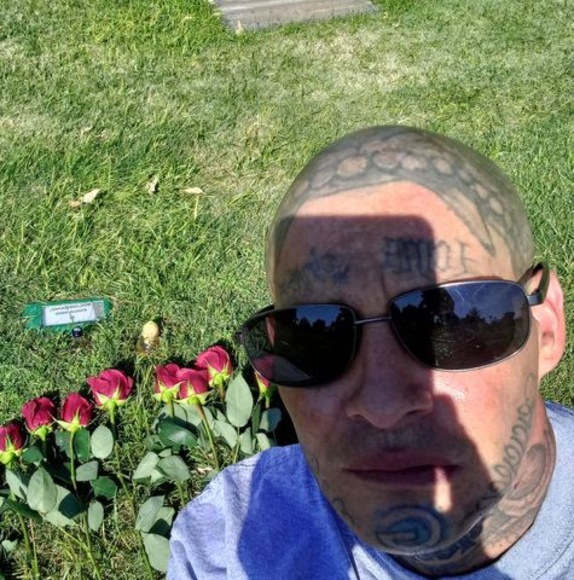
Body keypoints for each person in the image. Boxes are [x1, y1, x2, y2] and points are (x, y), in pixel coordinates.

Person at [168, 126, 574, 578]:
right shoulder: (228, 546)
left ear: (546, 328)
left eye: (448, 322)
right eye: (314, 337)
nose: (383, 406)